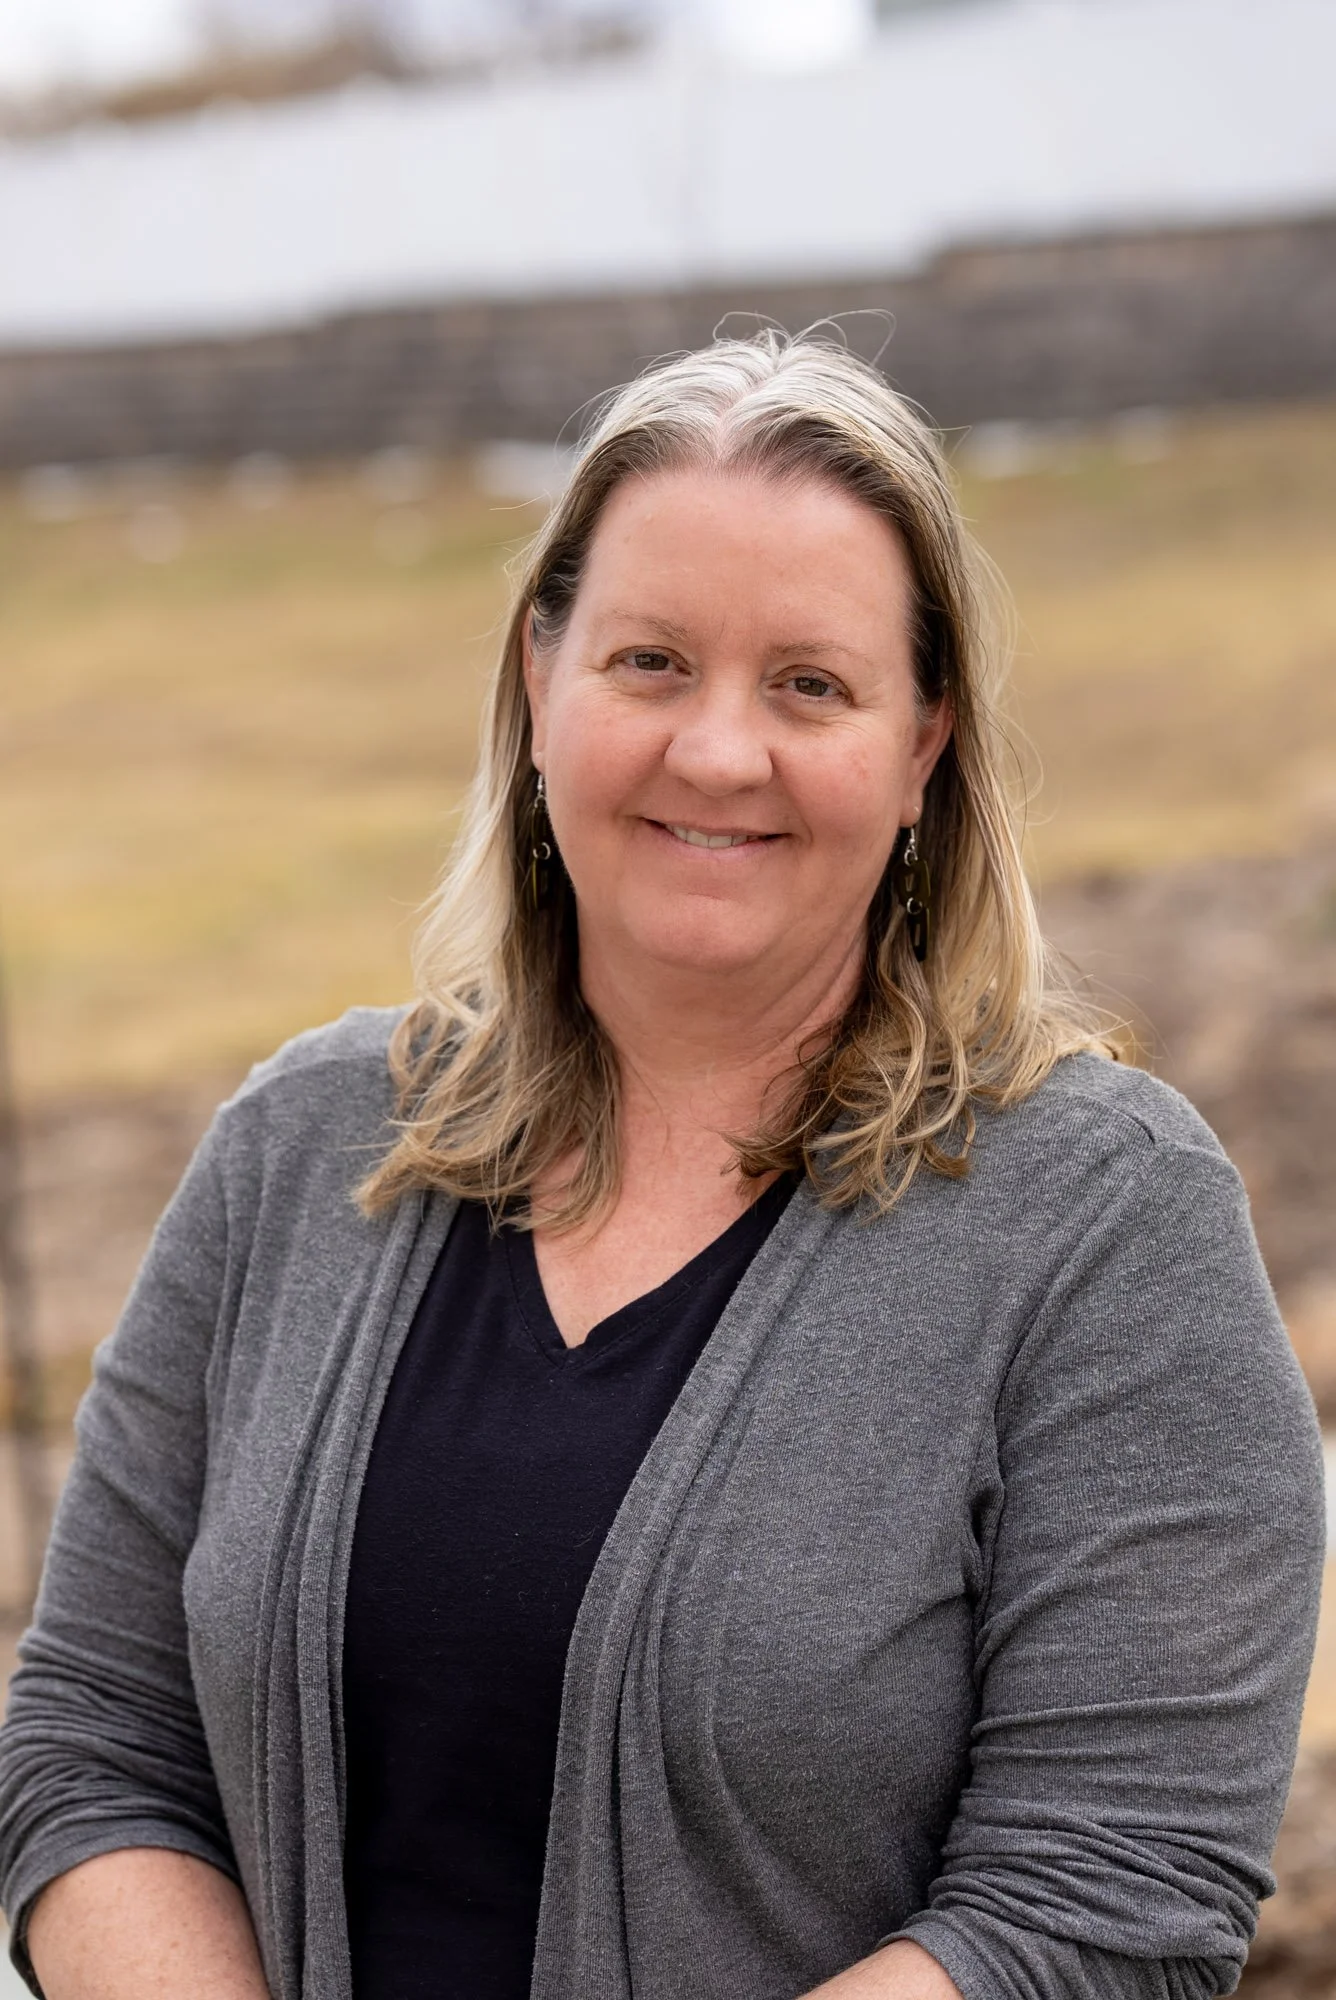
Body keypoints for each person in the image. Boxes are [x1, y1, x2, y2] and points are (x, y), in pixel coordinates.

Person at [0, 332, 1323, 2000]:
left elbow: (1105, 1901)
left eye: (810, 684)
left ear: (924, 751)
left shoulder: (1107, 1229)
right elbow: (96, 1738)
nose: (718, 751)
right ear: (539, 683)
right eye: (649, 662)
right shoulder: (298, 1150)